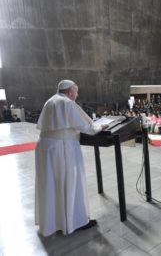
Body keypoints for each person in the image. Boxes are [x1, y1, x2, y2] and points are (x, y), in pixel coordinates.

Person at [35, 80, 108, 236]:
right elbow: (86, 127)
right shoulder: (67, 103)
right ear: (70, 92)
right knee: (71, 182)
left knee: (50, 184)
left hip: (46, 147)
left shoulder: (50, 101)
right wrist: (100, 126)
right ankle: (76, 221)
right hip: (63, 148)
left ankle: (53, 222)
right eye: (76, 91)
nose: (77, 94)